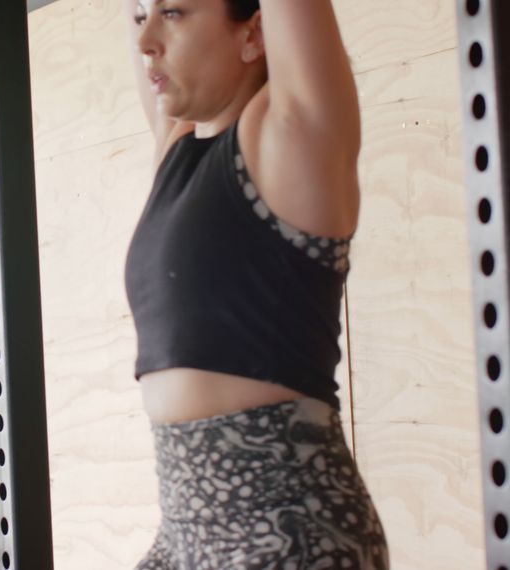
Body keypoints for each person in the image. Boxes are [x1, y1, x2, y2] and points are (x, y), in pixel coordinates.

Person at [122, 1, 389, 567]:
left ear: (255, 32)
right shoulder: (176, 146)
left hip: (286, 531)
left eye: (172, 13)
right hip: (183, 532)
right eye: (140, 13)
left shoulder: (292, 135)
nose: (145, 37)